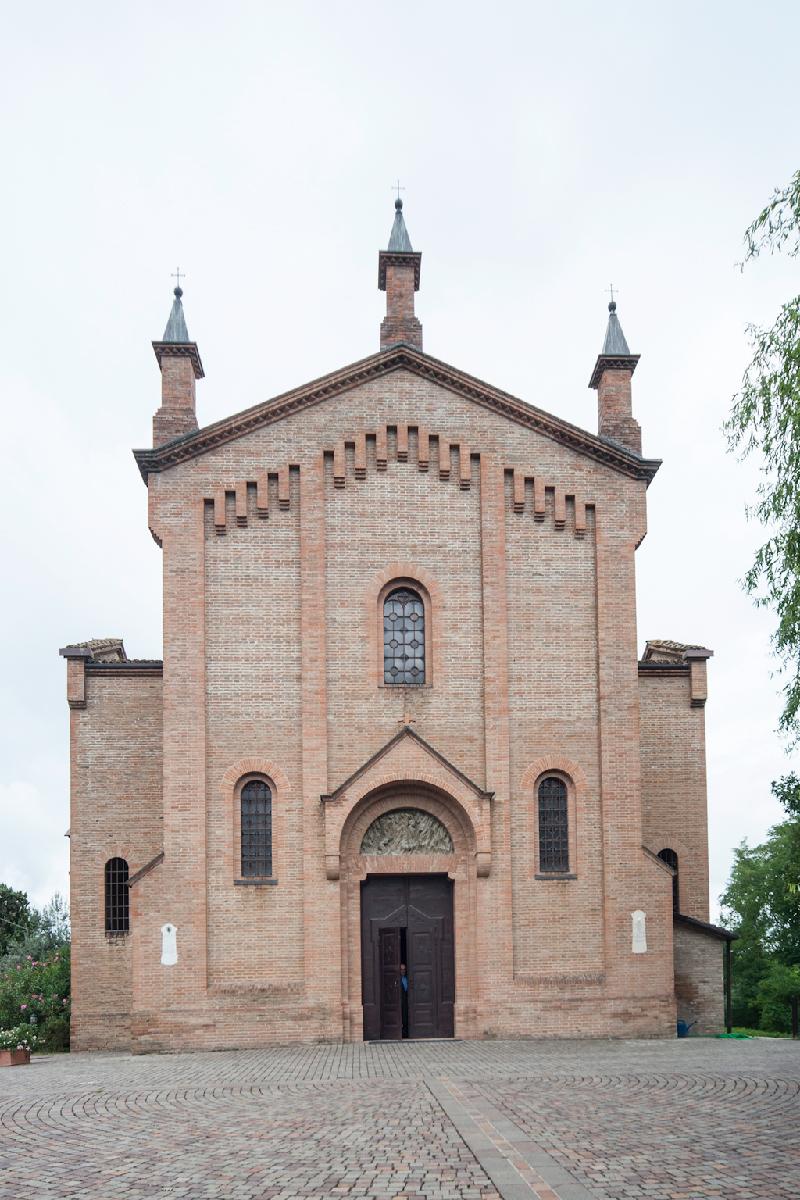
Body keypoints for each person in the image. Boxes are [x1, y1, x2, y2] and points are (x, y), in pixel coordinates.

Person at [400, 962, 409, 1038]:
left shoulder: (407, 979)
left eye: (404, 969)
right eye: (401, 969)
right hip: (400, 1002)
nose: (403, 971)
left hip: (406, 1001)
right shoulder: (397, 979)